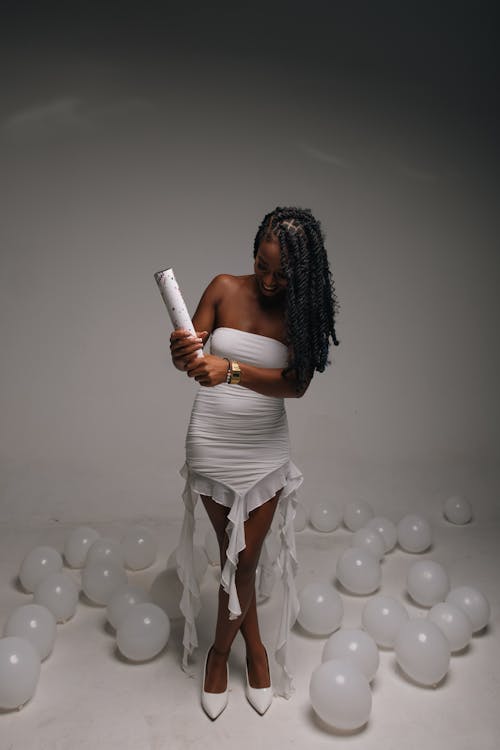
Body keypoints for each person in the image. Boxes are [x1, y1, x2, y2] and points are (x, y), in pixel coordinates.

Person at [169, 206, 339, 719]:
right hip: (212, 438)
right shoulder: (222, 288)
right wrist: (183, 354)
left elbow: (297, 385)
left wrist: (233, 371)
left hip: (263, 446)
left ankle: (225, 653)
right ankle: (248, 653)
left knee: (244, 559)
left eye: (281, 273)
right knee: (234, 558)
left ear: (301, 274)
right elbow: (191, 355)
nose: (267, 280)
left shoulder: (300, 313)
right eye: (261, 266)